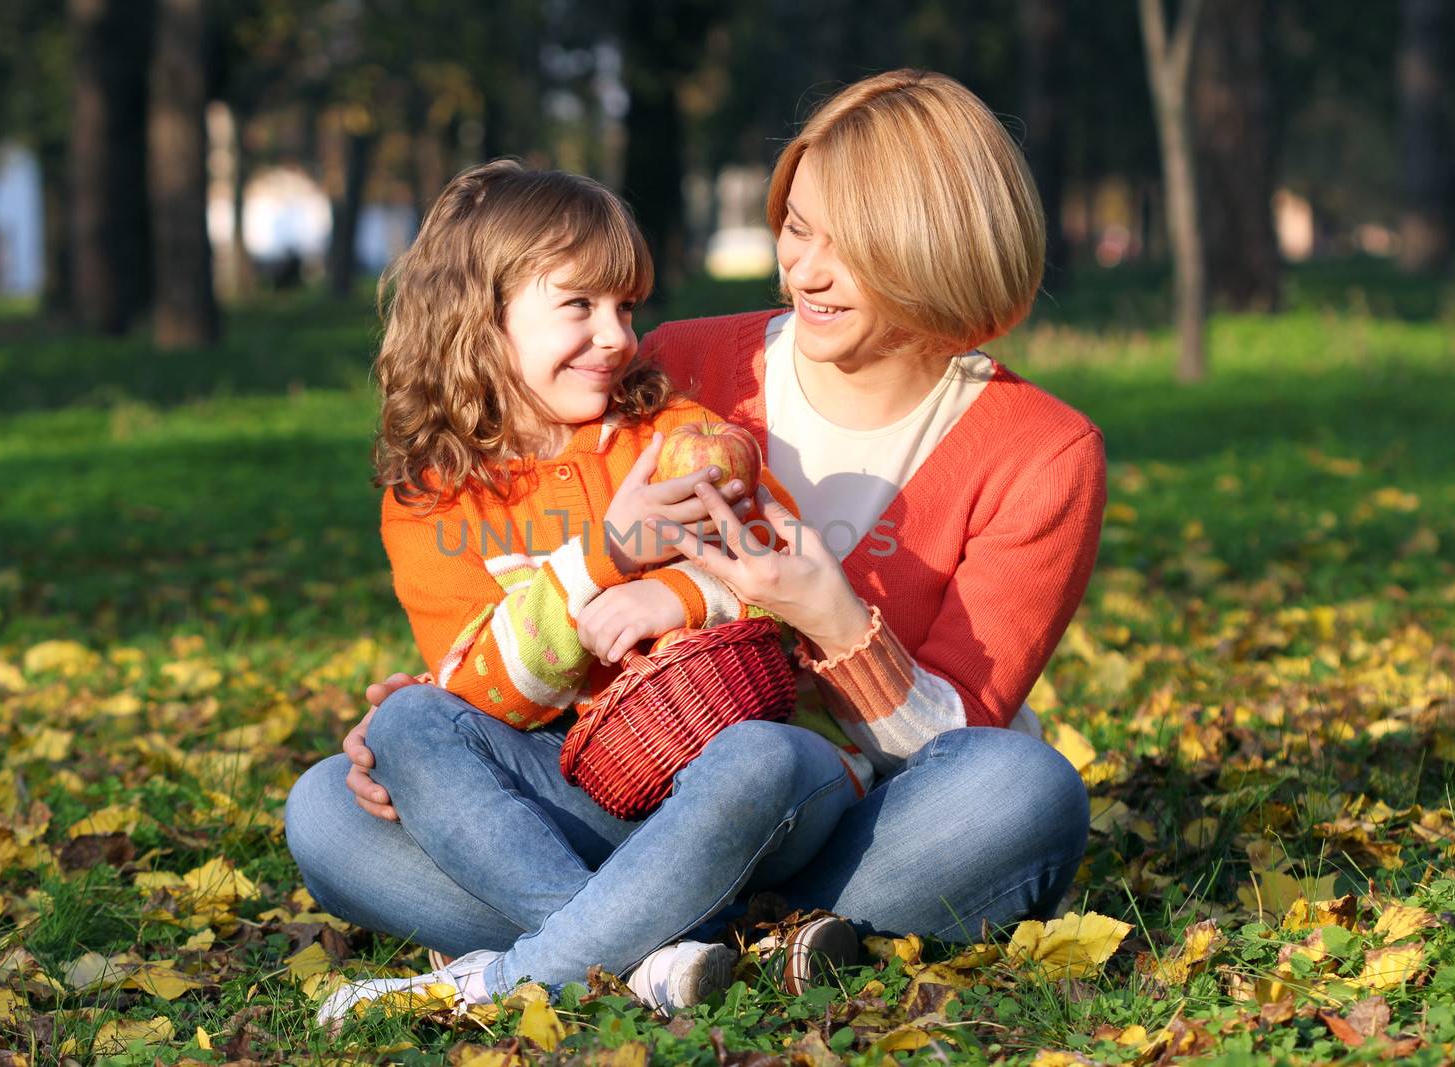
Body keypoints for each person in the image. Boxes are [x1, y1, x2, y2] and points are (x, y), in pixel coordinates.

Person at [290, 68, 1102, 1024]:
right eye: (797, 229)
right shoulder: (679, 366)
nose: (805, 271)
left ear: (940, 248)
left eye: (855, 247)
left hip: (849, 810)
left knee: (1019, 790)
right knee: (330, 812)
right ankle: (718, 944)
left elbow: (959, 743)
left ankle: (577, 948)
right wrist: (431, 715)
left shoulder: (1041, 453)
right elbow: (535, 525)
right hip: (623, 794)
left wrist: (829, 614)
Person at [296, 158, 866, 1027]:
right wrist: (606, 554)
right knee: (385, 746)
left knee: (775, 756)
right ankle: (682, 940)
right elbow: (483, 690)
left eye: (626, 307)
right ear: (479, 318)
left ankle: (499, 979)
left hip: (721, 797)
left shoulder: (666, 436)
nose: (617, 336)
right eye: (580, 306)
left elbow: (780, 576)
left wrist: (676, 593)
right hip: (565, 806)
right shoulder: (431, 499)